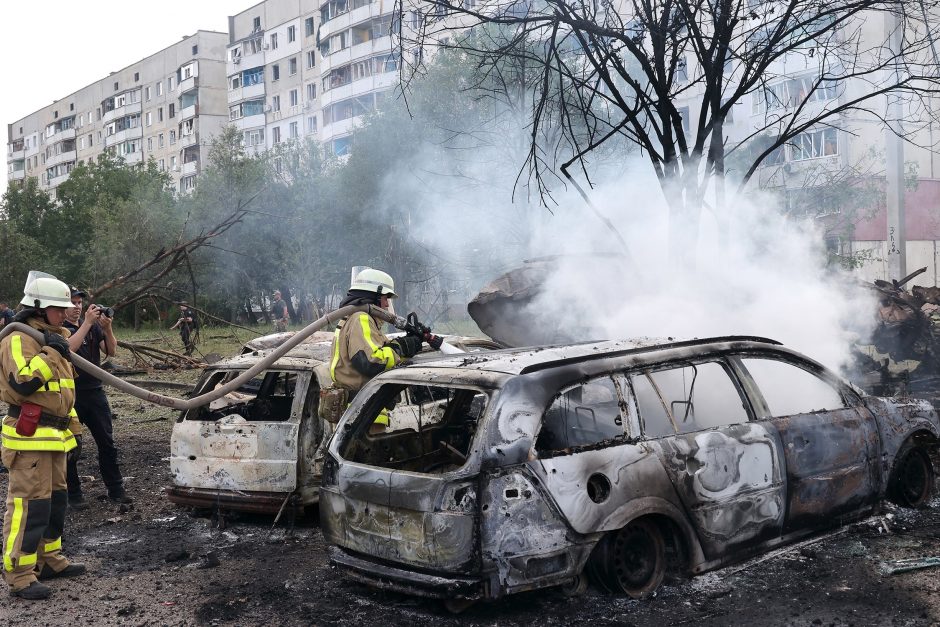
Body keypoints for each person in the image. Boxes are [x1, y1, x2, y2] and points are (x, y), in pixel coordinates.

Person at [1, 272, 87, 600]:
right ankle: (20, 573)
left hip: (55, 436)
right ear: (38, 308)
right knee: (29, 506)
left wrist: (75, 429)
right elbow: (24, 382)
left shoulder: (54, 337)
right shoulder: (18, 339)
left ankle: (49, 559)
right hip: (30, 438)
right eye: (59, 308)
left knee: (56, 503)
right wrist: (52, 353)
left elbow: (64, 393)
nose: (66, 313)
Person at [329, 269, 423, 432]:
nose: (387, 304)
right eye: (386, 298)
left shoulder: (354, 317)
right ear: (374, 296)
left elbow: (378, 348)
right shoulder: (361, 318)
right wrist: (399, 348)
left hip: (359, 407)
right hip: (365, 408)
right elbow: (370, 361)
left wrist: (404, 343)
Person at [63, 287, 132, 509]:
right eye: (72, 303)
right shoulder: (59, 329)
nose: (76, 307)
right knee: (71, 447)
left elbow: (111, 351)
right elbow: (67, 350)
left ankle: (116, 489)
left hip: (94, 392)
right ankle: (73, 495)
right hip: (70, 394)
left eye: (79, 303)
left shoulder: (93, 329)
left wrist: (108, 328)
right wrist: (86, 324)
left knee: (107, 443)